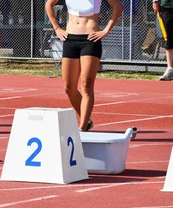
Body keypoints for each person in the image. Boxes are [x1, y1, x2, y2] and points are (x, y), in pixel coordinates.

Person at [45, 0, 123, 131]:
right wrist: (57, 27)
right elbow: (48, 4)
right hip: (70, 39)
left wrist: (106, 30)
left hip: (91, 39)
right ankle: (86, 120)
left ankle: (82, 128)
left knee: (86, 85)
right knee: (68, 87)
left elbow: (118, 7)